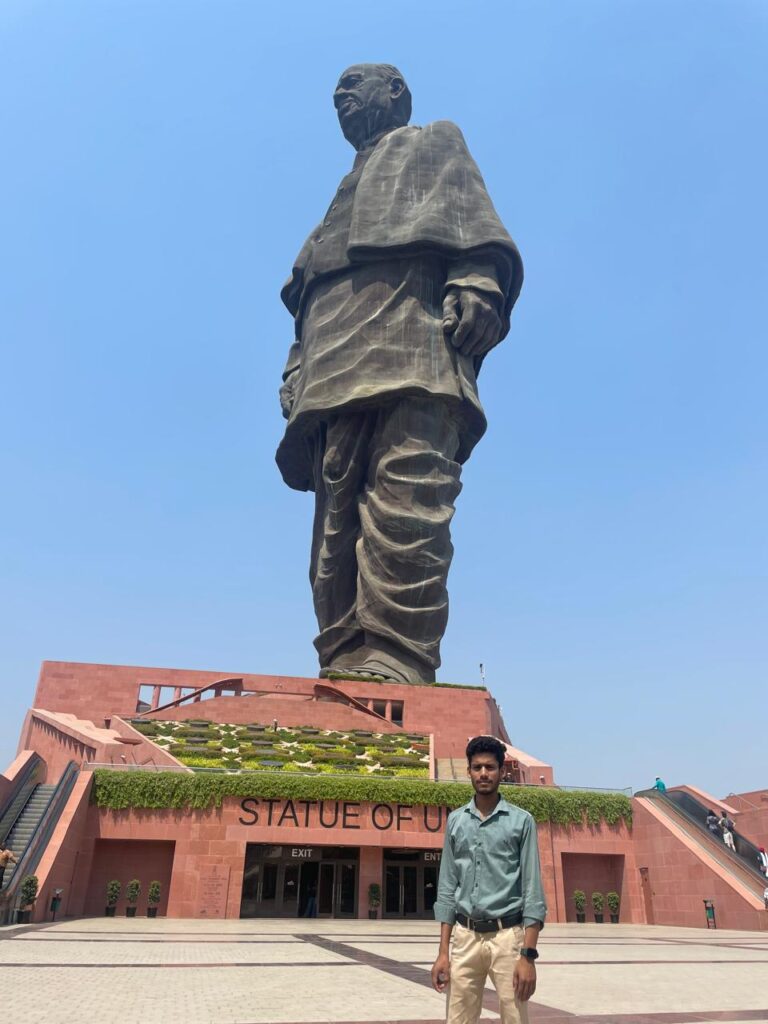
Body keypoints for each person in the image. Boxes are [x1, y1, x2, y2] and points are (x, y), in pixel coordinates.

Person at [276, 64, 523, 684]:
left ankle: (398, 658)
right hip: (333, 357)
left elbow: (475, 231)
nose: (341, 95)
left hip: (410, 340)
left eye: (356, 83)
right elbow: (305, 295)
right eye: (336, 91)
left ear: (397, 94)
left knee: (407, 493)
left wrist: (477, 280)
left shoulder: (432, 141)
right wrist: (296, 364)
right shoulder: (334, 199)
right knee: (336, 516)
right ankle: (343, 657)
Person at [431, 735, 546, 1023]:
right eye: (477, 767)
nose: (484, 773)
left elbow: (533, 891)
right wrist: (443, 953)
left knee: (514, 1018)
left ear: (502, 771)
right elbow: (446, 888)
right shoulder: (456, 821)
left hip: (507, 937)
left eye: (490, 767)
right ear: (469, 771)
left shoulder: (522, 822)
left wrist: (527, 955)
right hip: (465, 936)